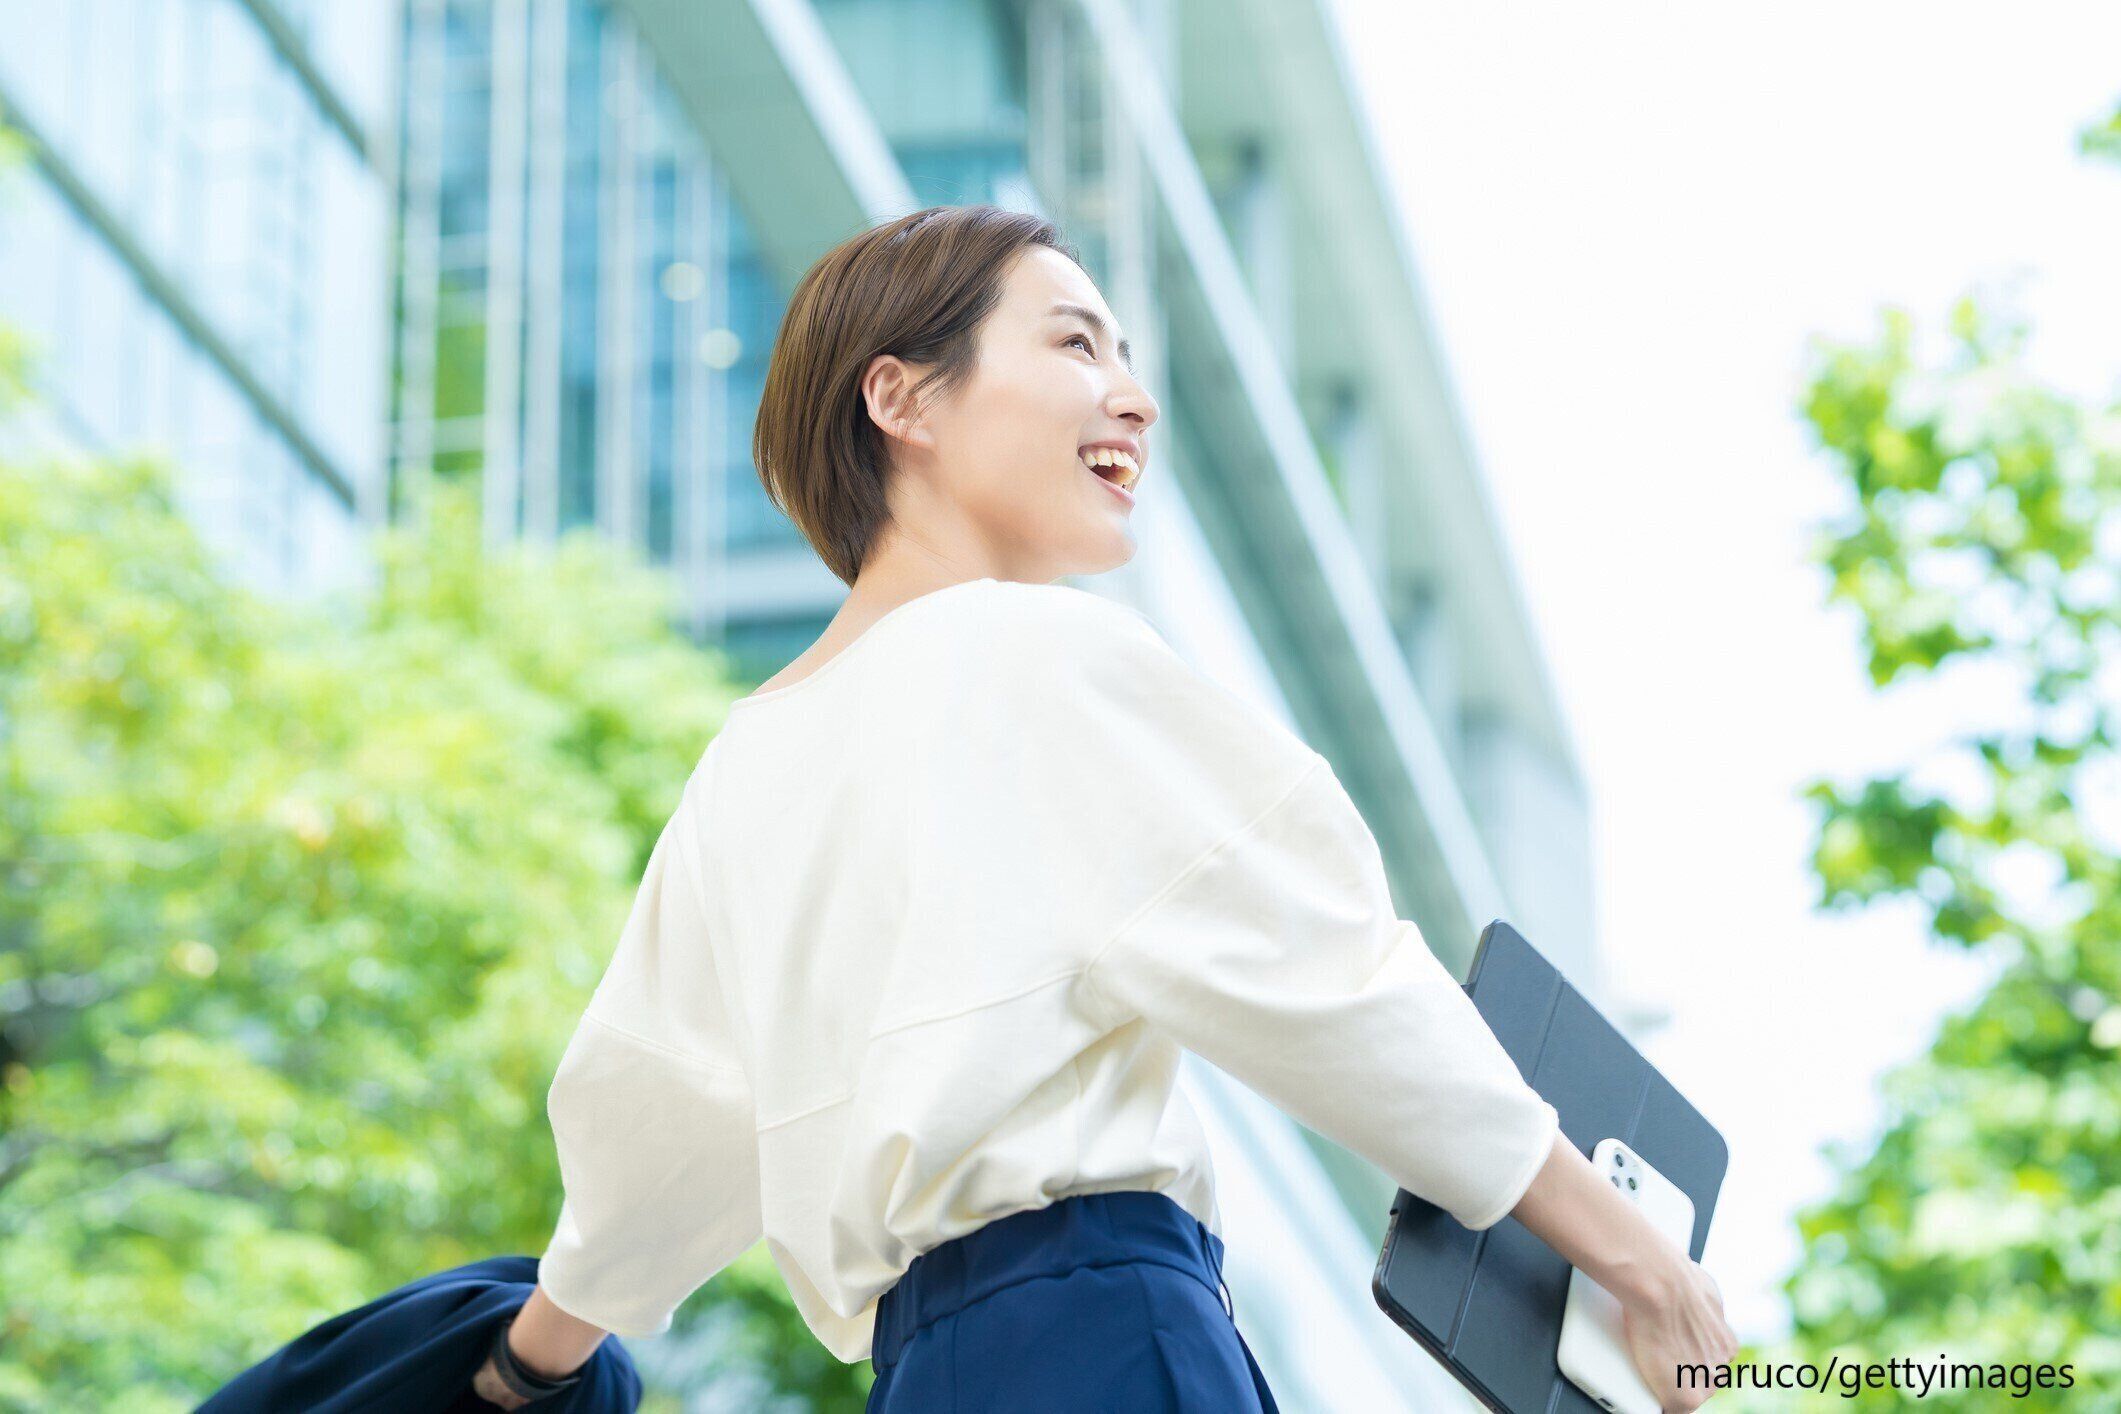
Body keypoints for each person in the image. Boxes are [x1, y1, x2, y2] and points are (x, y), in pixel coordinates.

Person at [474, 204, 1738, 1412]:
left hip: (922, 1375)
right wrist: (1635, 1253)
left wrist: (517, 1368)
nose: (1131, 393)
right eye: (1075, 342)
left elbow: (660, 1135)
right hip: (1106, 1331)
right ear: (899, 395)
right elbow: (1336, 979)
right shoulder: (1035, 653)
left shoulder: (739, 775)